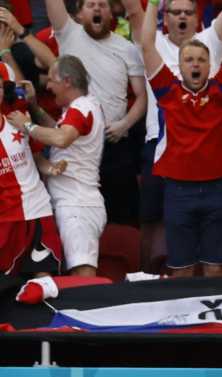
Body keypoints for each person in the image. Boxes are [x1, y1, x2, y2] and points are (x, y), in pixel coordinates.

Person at [141, 0, 222, 277]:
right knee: (181, 269)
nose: (195, 64)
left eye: (201, 60)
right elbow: (147, 45)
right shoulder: (166, 90)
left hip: (219, 189)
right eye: (189, 60)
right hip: (178, 191)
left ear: (210, 64)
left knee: (215, 268)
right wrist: (154, 4)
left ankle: (217, 320)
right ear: (179, 66)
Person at [45, 0, 147, 226]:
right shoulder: (68, 33)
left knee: (123, 218)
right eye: (91, 4)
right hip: (76, 145)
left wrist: (125, 124)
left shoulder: (126, 47)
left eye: (103, 4)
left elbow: (142, 96)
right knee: (77, 218)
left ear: (112, 13)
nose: (98, 8)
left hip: (115, 143)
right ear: (79, 14)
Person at [9, 56, 105, 278]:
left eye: (52, 80)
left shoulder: (81, 107)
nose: (48, 86)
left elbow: (61, 138)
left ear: (68, 81)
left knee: (83, 276)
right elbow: (58, 129)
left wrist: (27, 126)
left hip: (78, 206)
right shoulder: (83, 107)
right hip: (75, 203)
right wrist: (34, 107)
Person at [0, 86, 63, 278]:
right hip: (5, 218)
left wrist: (52, 168)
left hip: (37, 209)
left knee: (44, 281)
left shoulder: (18, 120)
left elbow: (36, 157)